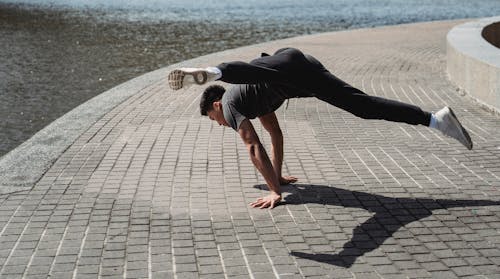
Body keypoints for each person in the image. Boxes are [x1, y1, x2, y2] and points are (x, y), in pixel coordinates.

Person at [167, 47, 473, 209]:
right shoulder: (250, 101)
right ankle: (435, 119)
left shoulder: (231, 104)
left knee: (254, 71)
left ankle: (214, 71)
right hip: (298, 68)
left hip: (284, 70)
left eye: (213, 119)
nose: (219, 125)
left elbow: (252, 146)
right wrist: (277, 176)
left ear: (216, 106)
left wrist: (275, 192)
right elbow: (274, 134)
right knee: (362, 106)